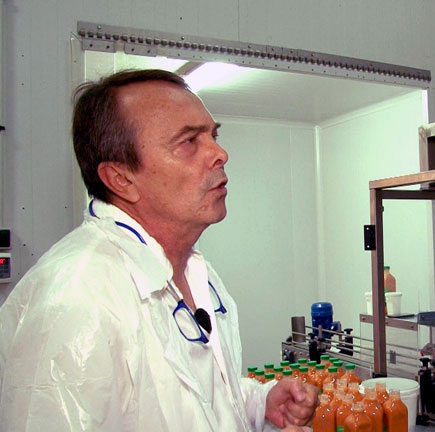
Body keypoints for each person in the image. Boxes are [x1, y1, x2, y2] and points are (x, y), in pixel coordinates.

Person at [0, 69, 317, 431]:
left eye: (213, 135)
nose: (220, 153)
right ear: (121, 178)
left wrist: (259, 403)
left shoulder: (193, 271)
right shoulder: (76, 299)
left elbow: (189, 398)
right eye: (189, 141)